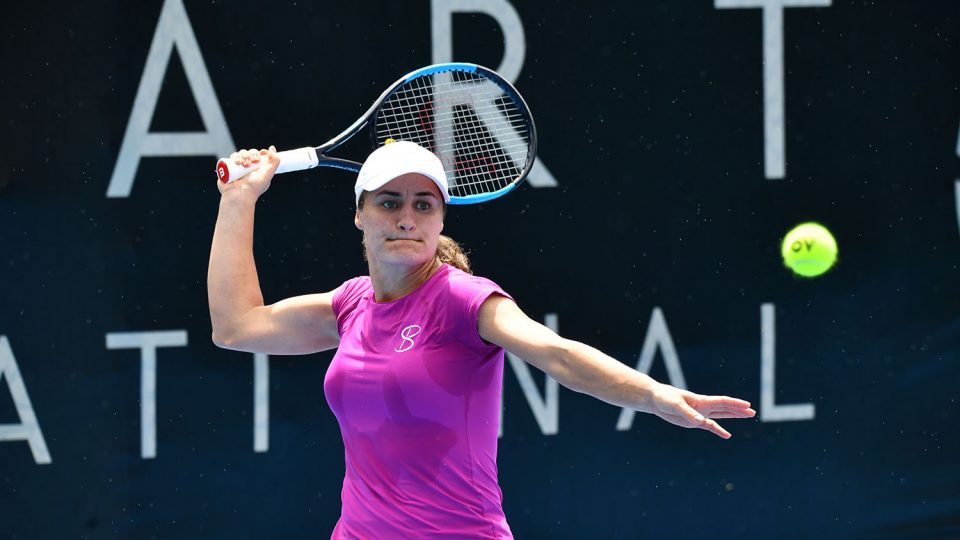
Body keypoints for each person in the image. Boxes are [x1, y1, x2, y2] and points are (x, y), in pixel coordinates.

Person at [208, 141, 756, 539]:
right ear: (359, 215)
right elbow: (236, 327)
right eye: (389, 202)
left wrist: (653, 394)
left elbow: (557, 354)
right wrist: (239, 200)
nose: (406, 217)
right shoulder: (350, 304)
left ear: (440, 221)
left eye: (424, 205)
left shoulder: (464, 300)